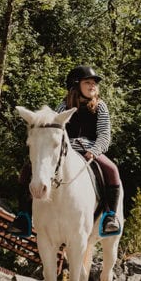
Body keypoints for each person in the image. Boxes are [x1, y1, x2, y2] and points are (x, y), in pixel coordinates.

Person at [8, 65, 122, 238]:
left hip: (90, 151)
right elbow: (54, 131)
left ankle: (109, 216)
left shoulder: (101, 107)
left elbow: (104, 135)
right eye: (88, 82)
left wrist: (95, 150)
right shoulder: (63, 106)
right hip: (64, 151)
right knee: (26, 171)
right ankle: (23, 216)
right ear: (76, 85)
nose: (93, 86)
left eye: (94, 83)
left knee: (112, 170)